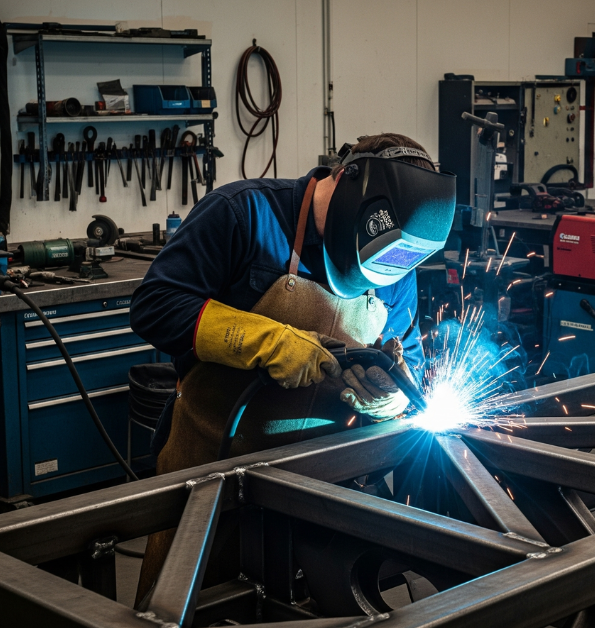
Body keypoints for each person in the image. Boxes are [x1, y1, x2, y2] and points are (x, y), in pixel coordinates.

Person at [128, 132, 456, 605]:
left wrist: (392, 395)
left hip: (327, 490)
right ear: (345, 183)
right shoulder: (243, 213)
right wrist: (265, 339)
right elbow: (154, 305)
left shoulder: (397, 266)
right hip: (214, 475)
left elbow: (411, 361)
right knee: (187, 609)